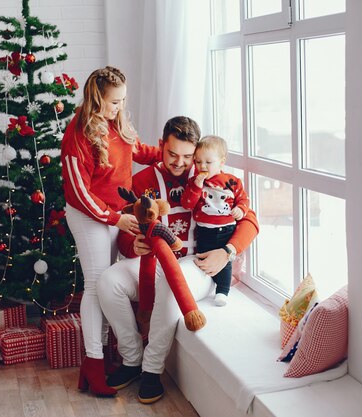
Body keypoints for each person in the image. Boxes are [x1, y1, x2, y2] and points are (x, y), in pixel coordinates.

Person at [97, 116, 259, 404]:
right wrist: (133, 244)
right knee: (108, 282)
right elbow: (126, 228)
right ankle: (132, 359)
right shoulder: (142, 180)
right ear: (161, 146)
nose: (180, 163)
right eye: (172, 154)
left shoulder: (213, 176)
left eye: (188, 156)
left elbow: (250, 220)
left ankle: (151, 369)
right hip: (152, 262)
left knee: (173, 285)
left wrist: (227, 252)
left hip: (195, 265)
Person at [60, 66, 160, 397]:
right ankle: (93, 361)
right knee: (94, 284)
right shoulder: (77, 134)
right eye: (114, 102)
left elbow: (138, 151)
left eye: (123, 101)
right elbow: (79, 194)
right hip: (91, 216)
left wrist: (177, 156)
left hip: (115, 214)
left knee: (107, 285)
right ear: (97, 97)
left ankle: (103, 358)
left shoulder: (117, 123)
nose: (119, 107)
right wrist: (113, 219)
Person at [181, 135, 250, 307]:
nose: (202, 166)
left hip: (226, 229)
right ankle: (207, 282)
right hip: (204, 230)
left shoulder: (232, 182)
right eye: (198, 162)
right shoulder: (194, 182)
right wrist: (196, 186)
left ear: (221, 162)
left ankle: (222, 291)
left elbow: (244, 200)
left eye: (208, 162)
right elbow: (187, 203)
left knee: (224, 261)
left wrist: (240, 209)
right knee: (203, 257)